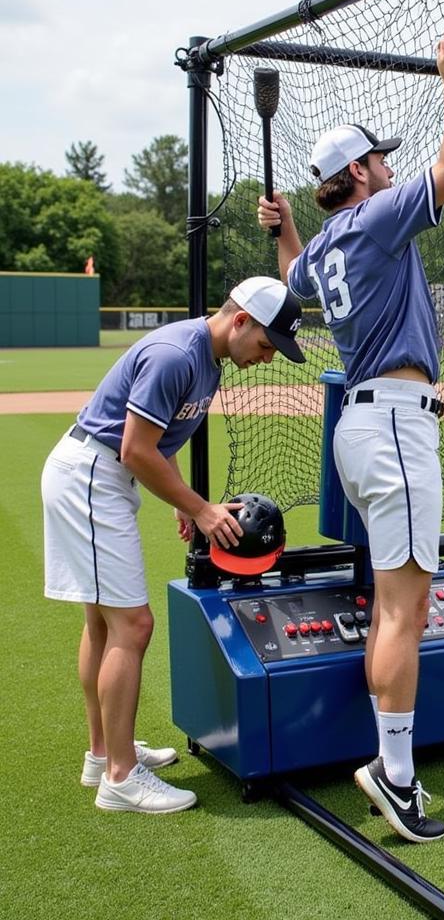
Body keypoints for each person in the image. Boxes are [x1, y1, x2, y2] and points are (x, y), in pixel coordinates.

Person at [256, 25, 444, 842]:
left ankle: (395, 767)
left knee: (396, 605)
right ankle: (397, 776)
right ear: (356, 176)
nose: (389, 165)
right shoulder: (377, 217)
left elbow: (295, 277)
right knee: (402, 613)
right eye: (377, 159)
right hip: (391, 424)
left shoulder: (326, 247)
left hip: (361, 423)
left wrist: (285, 229)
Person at [42, 277, 305, 814]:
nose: (268, 358)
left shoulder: (206, 360)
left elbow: (160, 442)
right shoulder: (176, 355)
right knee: (133, 625)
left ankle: (102, 753)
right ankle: (120, 777)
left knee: (102, 621)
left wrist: (185, 502)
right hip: (92, 477)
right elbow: (136, 450)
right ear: (240, 321)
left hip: (98, 476)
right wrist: (202, 510)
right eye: (265, 344)